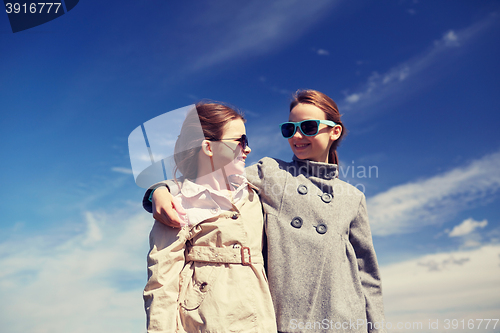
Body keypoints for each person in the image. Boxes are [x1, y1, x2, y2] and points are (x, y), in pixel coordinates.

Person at [146, 90, 386, 333]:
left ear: (335, 131)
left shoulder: (353, 198)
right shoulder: (271, 173)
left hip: (344, 317)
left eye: (309, 127)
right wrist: (159, 190)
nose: (298, 135)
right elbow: (208, 179)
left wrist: (377, 329)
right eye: (290, 129)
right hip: (287, 319)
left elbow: (367, 273)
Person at [143, 102, 277, 332]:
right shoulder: (179, 203)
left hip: (261, 319)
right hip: (204, 323)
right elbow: (161, 283)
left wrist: (158, 189)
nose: (248, 149)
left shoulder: (257, 192)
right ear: (208, 147)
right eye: (240, 141)